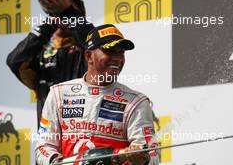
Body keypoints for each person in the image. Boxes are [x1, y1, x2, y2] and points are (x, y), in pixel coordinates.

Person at [35, 24, 160, 165]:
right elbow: (43, 147)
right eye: (110, 51)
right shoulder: (59, 94)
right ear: (89, 56)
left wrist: (143, 159)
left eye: (121, 53)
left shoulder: (136, 102)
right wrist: (59, 162)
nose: (118, 58)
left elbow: (153, 154)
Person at [6, 0, 94, 127]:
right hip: (49, 142)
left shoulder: (89, 51)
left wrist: (68, 11)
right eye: (57, 11)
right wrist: (50, 23)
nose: (63, 16)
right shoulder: (38, 56)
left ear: (80, 14)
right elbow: (14, 61)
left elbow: (97, 46)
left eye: (66, 9)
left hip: (84, 138)